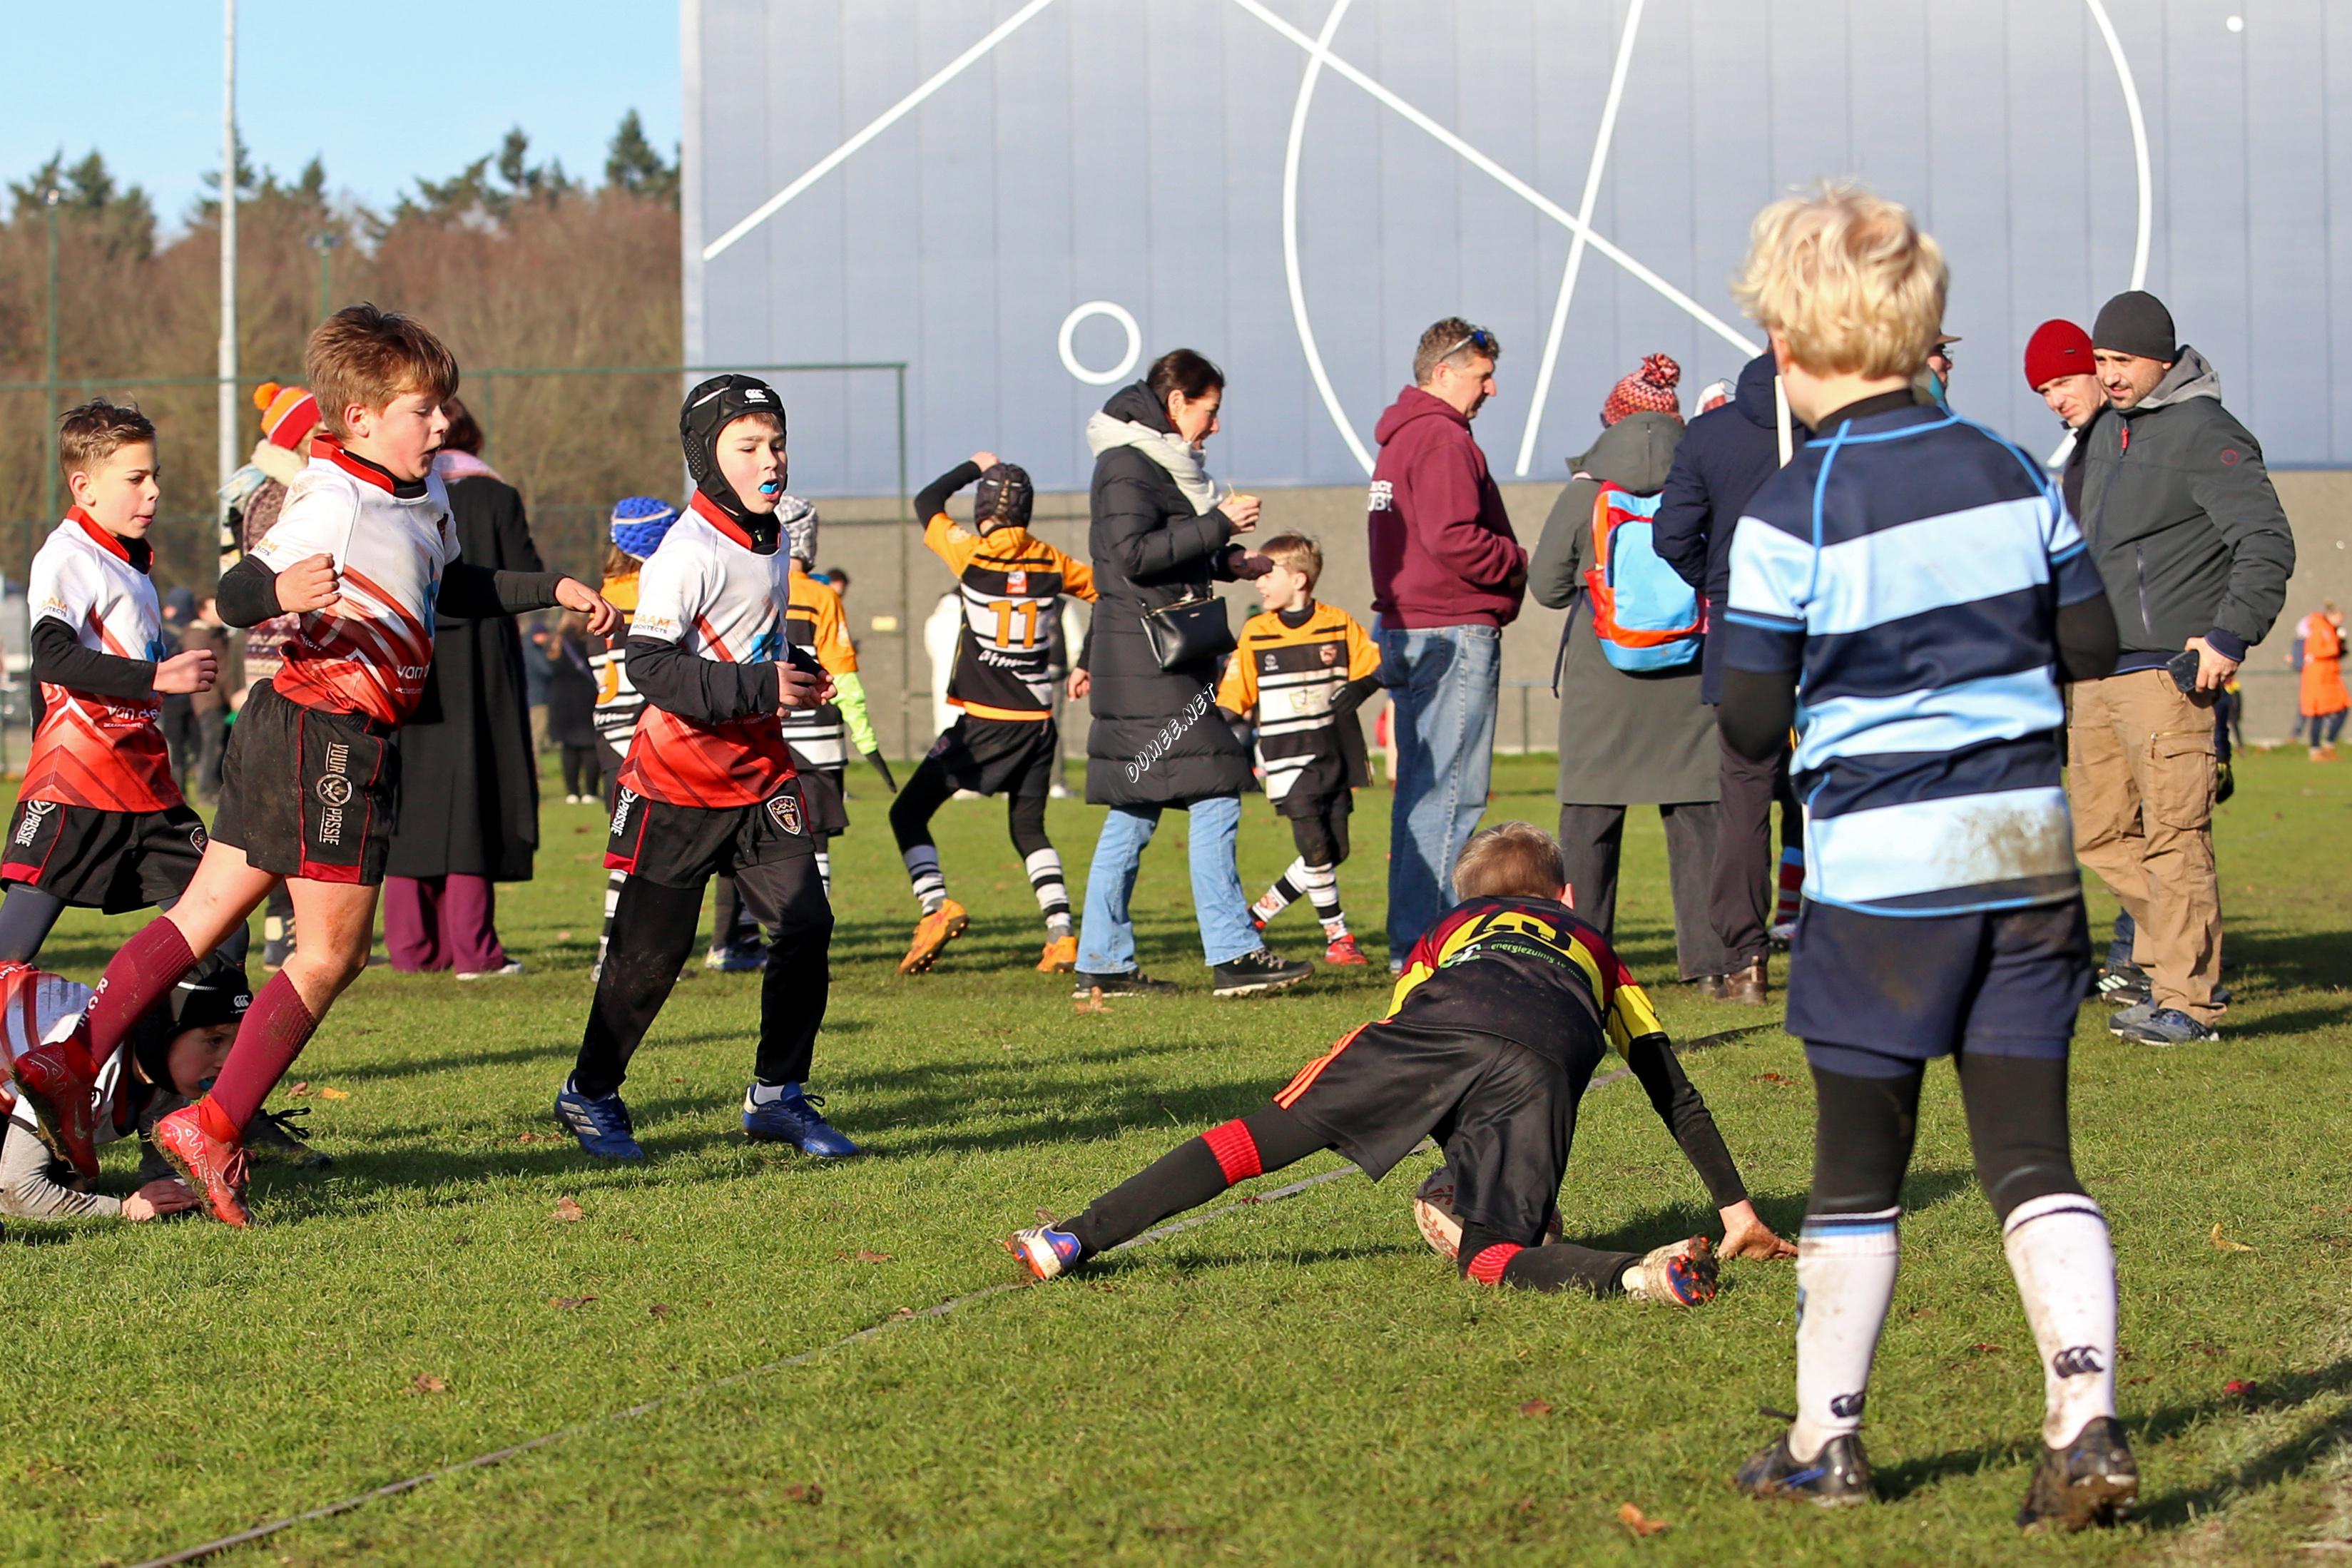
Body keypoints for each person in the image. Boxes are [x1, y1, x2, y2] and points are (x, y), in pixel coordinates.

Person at [1716, 183, 2134, 1531]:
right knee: (2031, 1154)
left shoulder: (1789, 509)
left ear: (1785, 342)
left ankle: (1821, 1440)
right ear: (1925, 329)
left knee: (1855, 1172)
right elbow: (2084, 643)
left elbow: (1747, 714)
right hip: (2024, 859)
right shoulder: (2015, 470)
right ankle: (2083, 1416)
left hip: (1876, 880)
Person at [76, 305, 614, 1227]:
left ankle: (68, 1063)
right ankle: (214, 1120)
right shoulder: (333, 492)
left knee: (204, 915)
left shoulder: (421, 488)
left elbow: (452, 587)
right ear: (359, 416)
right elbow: (243, 587)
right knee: (331, 952)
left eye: (443, 408)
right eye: (422, 410)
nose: (440, 425)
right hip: (329, 734)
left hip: (295, 725)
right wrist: (279, 588)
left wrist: (545, 589)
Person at [1008, 821, 1792, 1298]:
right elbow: (1672, 1089)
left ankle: (1071, 1237)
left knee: (1254, 1139)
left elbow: (1415, 1047)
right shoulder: (1599, 951)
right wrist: (1738, 1210)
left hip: (1442, 1019)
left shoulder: (1446, 935)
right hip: (1546, 1059)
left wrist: (1452, 1152)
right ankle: (1637, 1276)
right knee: (1491, 1256)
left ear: (1469, 899)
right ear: (1569, 893)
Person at [555, 375, 852, 1162]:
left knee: (806, 925)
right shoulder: (685, 551)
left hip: (762, 777)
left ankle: (778, 1096)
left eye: (777, 443)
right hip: (678, 784)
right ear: (706, 459)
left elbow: (749, 641)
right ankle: (589, 1092)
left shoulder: (775, 533)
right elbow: (652, 666)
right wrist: (762, 683)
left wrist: (796, 665)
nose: (771, 460)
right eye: (749, 446)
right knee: (651, 959)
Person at [2073, 290, 2296, 1044]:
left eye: (2122, 361)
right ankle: (2177, 961)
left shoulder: (2207, 432)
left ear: (2163, 358)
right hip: (2096, 670)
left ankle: (2189, 1001)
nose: (2109, 375)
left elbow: (2267, 543)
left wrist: (2229, 635)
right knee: (2098, 834)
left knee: (2175, 837)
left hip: (2170, 674)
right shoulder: (2108, 431)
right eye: (2101, 361)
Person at [1076, 350, 1310, 999]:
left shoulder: (1149, 460)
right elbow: (1130, 556)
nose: (1213, 428)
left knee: (1136, 806)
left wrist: (1234, 560)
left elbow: (1165, 547)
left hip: (1146, 660)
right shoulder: (1127, 463)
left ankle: (1102, 963)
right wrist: (1218, 523)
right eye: (1208, 413)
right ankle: (1233, 952)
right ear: (1177, 403)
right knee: (1215, 790)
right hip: (1153, 663)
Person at [0, 402, 240, 984]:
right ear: (83, 487)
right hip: (78, 782)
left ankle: (170, 1068)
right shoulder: (68, 555)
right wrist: (156, 677)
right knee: (14, 944)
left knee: (224, 928)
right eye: (135, 479)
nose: (153, 492)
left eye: (154, 476)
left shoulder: (129, 564)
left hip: (143, 778)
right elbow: (51, 657)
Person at [1529, 355, 1736, 992]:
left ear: (1609, 422)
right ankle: (1708, 967)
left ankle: (1584, 962)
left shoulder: (1584, 492)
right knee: (1698, 821)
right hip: (1690, 674)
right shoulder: (1703, 479)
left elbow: (1545, 588)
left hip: (1602, 680)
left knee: (1590, 826)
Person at [892, 454, 1093, 976]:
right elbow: (1111, 597)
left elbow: (925, 502)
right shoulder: (1052, 561)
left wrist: (969, 466)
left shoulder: (969, 553)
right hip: (1037, 724)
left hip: (982, 722)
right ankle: (1061, 936)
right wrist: (1087, 661)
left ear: (983, 512)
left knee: (907, 813)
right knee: (1029, 829)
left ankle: (936, 906)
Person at [1369, 319, 1528, 970]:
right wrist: (1519, 558)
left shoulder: (1402, 438)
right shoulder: (1439, 438)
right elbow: (1455, 538)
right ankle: (1426, 946)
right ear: (1443, 373)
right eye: (1481, 375)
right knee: (1452, 796)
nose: (1490, 389)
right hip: (1450, 627)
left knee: (1421, 798)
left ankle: (1410, 940)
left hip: (1412, 627)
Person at [1654, 350, 1808, 1003]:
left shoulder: (1708, 435)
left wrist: (1719, 585)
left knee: (1745, 800)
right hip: (1822, 633)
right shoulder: (1833, 425)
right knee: (1834, 793)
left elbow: (1673, 536)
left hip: (1744, 634)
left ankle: (1746, 957)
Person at [381, 403, 549, 979]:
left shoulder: (397, 493)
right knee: (477, 792)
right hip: (481, 661)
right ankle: (475, 950)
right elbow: (525, 575)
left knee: (407, 796)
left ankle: (411, 949)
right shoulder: (495, 497)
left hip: (408, 655)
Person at [0, 964, 294, 1223]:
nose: (227, 1061)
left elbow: (166, 1176)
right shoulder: (77, 1062)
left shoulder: (160, 1073)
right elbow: (18, 1192)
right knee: (70, 1179)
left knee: (75, 1178)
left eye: (235, 1042)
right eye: (214, 1040)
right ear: (162, 1031)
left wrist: (190, 1187)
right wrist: (123, 1210)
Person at [1213, 532, 1381, 966]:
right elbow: (1233, 699)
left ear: (1300, 579)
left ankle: (1261, 912)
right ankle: (1338, 936)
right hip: (1287, 760)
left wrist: (1361, 687)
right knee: (1315, 848)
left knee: (1334, 850)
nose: (1259, 583)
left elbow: (1376, 666)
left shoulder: (1339, 624)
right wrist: (1203, 731)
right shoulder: (1256, 632)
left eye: (1268, 574)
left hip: (1337, 754)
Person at [218, 380, 323, 971]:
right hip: (285, 658)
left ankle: (286, 932)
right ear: (299, 437)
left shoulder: (256, 490)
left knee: (286, 799)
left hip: (273, 657)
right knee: (286, 800)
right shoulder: (281, 496)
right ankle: (285, 934)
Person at [777, 494, 893, 903]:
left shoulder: (746, 590)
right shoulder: (822, 596)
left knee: (754, 840)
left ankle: (732, 940)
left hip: (758, 736)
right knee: (816, 838)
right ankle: (814, 940)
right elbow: (846, 682)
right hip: (817, 742)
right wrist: (869, 746)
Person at [588, 497, 677, 978]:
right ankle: (625, 954)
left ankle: (614, 951)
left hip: (609, 736)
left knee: (629, 846)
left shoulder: (601, 594)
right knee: (656, 850)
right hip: (649, 735)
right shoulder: (652, 595)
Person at [178, 596, 242, 808]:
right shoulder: (198, 636)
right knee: (212, 746)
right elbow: (215, 670)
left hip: (220, 698)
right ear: (202, 612)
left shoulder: (218, 634)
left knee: (221, 744)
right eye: (214, 609)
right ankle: (206, 792)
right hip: (209, 699)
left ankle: (215, 789)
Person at [546, 611, 603, 804]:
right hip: (587, 698)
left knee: (568, 748)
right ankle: (591, 791)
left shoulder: (556, 643)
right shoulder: (589, 640)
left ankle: (572, 792)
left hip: (562, 702)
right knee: (590, 746)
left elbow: (549, 670)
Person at [2301, 602, 2347, 760]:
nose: (2341, 621)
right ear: (2332, 615)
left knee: (2343, 707)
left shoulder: (2331, 630)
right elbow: (2314, 650)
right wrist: (2335, 648)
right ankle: (2315, 750)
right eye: (2340, 617)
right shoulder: (2319, 627)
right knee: (2318, 712)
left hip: (2331, 676)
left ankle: (2329, 745)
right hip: (2318, 677)